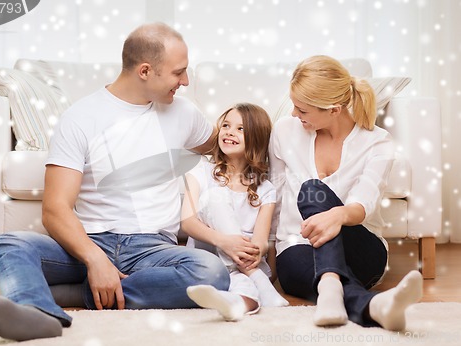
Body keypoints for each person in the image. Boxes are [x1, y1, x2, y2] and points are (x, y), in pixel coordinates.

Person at [0, 22, 230, 341]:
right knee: (9, 244)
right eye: (179, 72)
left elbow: (223, 147)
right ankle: (35, 315)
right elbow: (54, 209)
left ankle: (72, 297)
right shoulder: (80, 118)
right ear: (146, 71)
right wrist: (95, 259)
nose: (186, 81)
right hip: (90, 242)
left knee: (211, 273)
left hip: (152, 250)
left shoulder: (184, 113)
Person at [269, 55, 423, 330]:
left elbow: (363, 203)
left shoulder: (377, 142)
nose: (294, 114)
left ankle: (329, 285)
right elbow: (275, 195)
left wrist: (337, 216)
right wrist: (267, 257)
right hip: (298, 249)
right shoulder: (284, 131)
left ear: (334, 110)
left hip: (361, 250)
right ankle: (375, 306)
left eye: (302, 110)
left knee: (312, 190)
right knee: (311, 202)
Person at [180, 103, 289, 322]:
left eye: (240, 129)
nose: (229, 132)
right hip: (210, 262)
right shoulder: (201, 170)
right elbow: (188, 222)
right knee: (214, 197)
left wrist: (250, 255)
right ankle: (259, 284)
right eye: (227, 125)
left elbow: (260, 241)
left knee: (244, 287)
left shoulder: (265, 189)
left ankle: (234, 303)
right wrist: (225, 242)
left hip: (249, 264)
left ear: (256, 138)